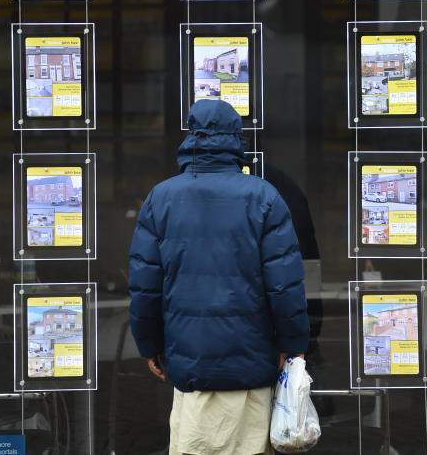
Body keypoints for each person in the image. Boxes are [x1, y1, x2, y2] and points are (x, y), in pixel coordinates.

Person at [128, 99, 310, 455]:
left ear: (191, 136)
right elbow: (285, 287)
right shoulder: (264, 197)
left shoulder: (160, 199)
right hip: (252, 365)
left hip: (191, 367)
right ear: (236, 139)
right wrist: (293, 345)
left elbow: (145, 286)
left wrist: (149, 344)